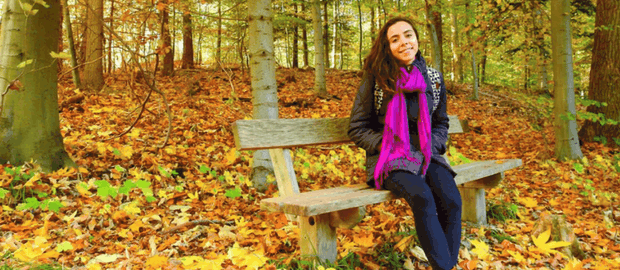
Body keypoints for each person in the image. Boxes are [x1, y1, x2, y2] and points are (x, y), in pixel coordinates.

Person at [348, 17, 462, 270]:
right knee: (422, 197)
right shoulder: (376, 78)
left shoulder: (433, 78)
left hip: (425, 154)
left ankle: (445, 266)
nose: (403, 43)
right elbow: (357, 128)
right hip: (388, 158)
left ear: (417, 39)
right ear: (387, 47)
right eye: (395, 39)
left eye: (408, 35)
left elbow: (441, 123)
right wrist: (388, 145)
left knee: (452, 200)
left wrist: (431, 146)